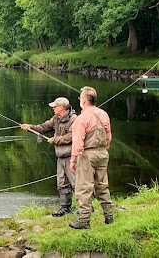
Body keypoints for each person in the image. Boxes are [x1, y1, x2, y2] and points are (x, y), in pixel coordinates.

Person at [21, 97, 77, 217]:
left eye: (54, 107)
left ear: (61, 108)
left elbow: (72, 136)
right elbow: (43, 127)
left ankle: (86, 208)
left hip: (72, 156)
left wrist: (55, 139)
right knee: (61, 183)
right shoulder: (56, 118)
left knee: (77, 184)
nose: (52, 108)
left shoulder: (74, 119)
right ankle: (65, 208)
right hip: (60, 156)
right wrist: (30, 127)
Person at [68, 86, 113, 229]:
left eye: (80, 98)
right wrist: (103, 150)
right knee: (102, 184)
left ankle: (84, 220)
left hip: (87, 154)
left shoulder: (82, 118)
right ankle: (109, 216)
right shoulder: (104, 114)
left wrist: (73, 160)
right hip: (103, 153)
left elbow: (78, 143)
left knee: (83, 187)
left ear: (84, 101)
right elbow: (108, 137)